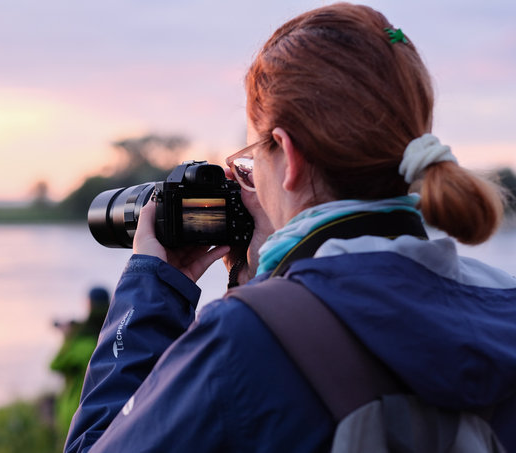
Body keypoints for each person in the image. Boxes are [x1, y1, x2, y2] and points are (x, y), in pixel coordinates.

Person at [64, 3, 516, 452]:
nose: (247, 180)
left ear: (288, 155)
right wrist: (264, 281)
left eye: (248, 163)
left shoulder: (249, 337)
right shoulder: (503, 302)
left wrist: (153, 291)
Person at [50, 286, 110, 442]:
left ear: (89, 304)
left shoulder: (83, 343)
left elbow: (55, 365)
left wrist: (67, 338)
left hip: (77, 408)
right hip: (104, 407)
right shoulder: (112, 330)